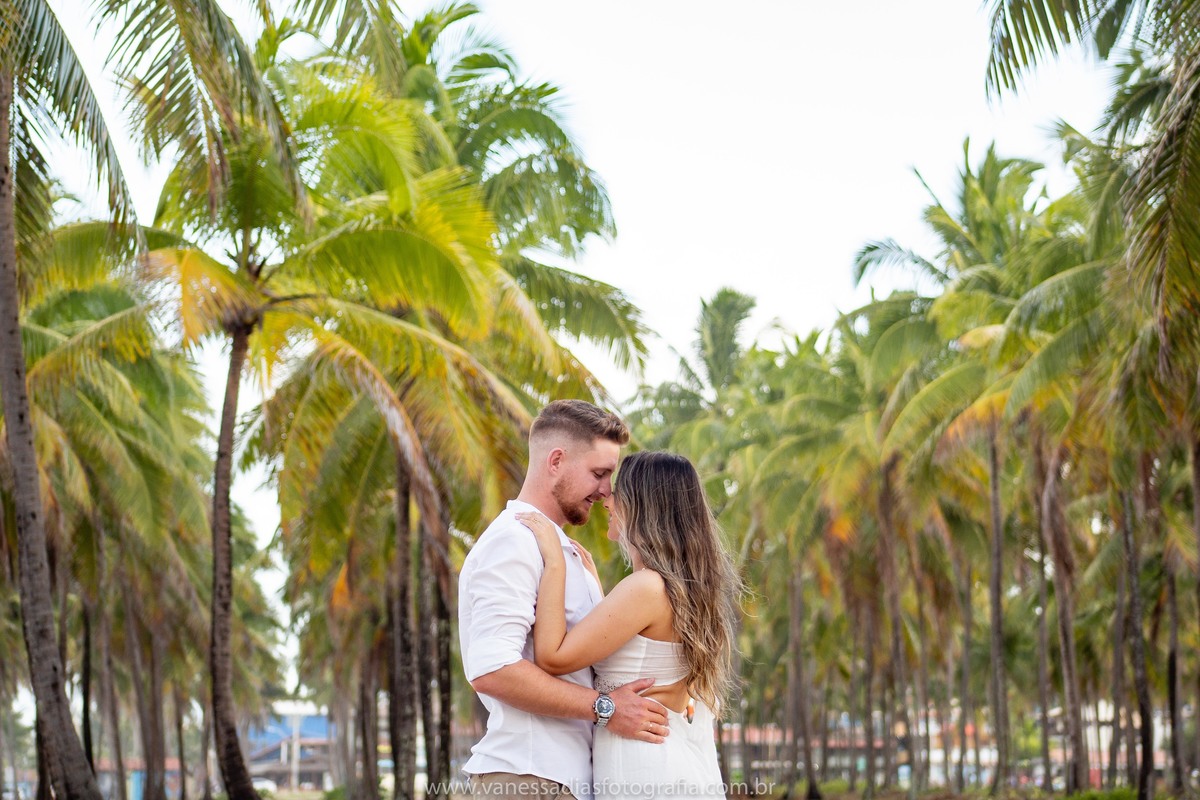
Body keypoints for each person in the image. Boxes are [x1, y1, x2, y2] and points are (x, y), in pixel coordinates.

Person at [459, 400, 671, 800]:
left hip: (560, 781)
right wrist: (606, 708)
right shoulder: (514, 541)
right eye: (599, 473)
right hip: (528, 778)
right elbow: (493, 669)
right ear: (556, 461)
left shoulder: (564, 552)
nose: (606, 491)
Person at [515, 450, 740, 800]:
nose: (607, 499)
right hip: (660, 759)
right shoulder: (670, 587)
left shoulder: (646, 588)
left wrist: (554, 564)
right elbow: (636, 652)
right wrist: (597, 590)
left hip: (646, 766)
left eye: (619, 491)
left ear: (644, 504)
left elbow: (552, 657)